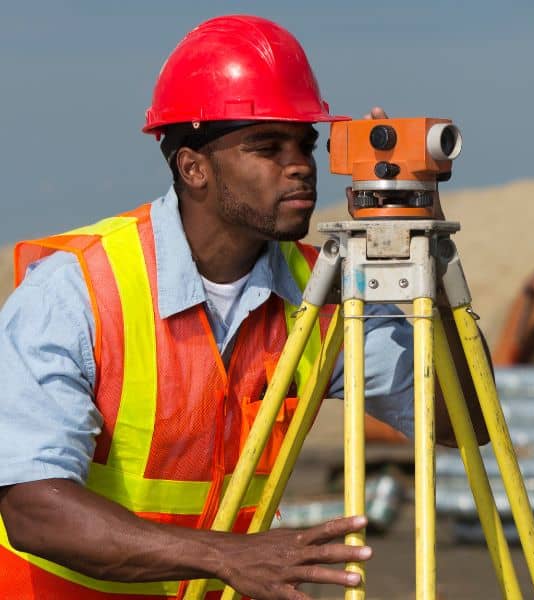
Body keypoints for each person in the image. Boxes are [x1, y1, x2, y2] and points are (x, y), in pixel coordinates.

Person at [0, 14, 488, 600]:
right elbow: (32, 507)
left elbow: (466, 421)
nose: (300, 164)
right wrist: (225, 556)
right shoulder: (77, 291)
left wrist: (420, 251)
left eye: (305, 143)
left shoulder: (323, 293)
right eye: (267, 146)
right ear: (193, 167)